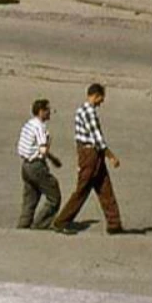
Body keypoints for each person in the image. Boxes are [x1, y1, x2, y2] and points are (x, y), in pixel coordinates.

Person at [51, 83, 124, 234]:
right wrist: (111, 157)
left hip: (88, 153)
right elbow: (97, 139)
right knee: (82, 189)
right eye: (101, 98)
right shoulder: (90, 112)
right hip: (90, 154)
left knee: (105, 188)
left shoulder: (80, 110)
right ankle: (61, 221)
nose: (102, 101)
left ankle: (114, 224)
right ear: (95, 95)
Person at [16, 99, 63, 230]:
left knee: (30, 198)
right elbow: (42, 149)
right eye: (48, 110)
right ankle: (39, 224)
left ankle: (23, 225)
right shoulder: (39, 127)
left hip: (25, 165)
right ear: (41, 112)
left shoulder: (28, 124)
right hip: (36, 166)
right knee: (54, 196)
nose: (50, 113)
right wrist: (52, 156)